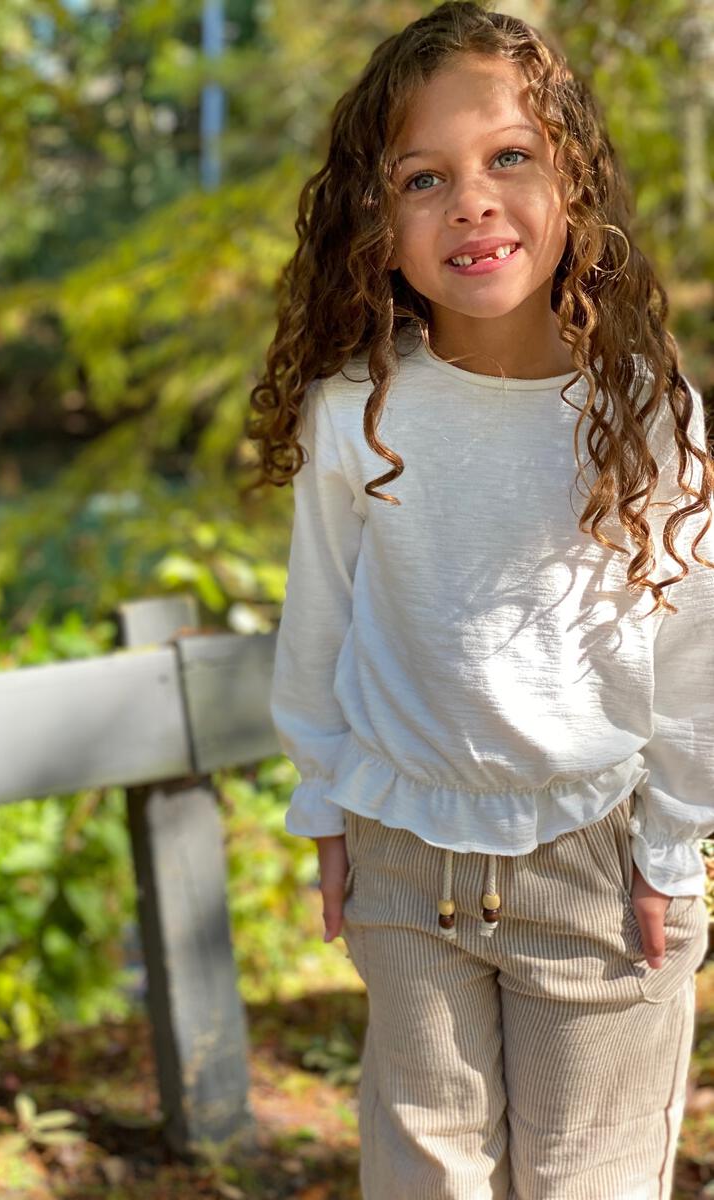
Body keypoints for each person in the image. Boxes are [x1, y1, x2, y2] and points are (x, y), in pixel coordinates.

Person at [246, 2, 714, 1197]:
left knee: (587, 1179)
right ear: (375, 218)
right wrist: (326, 805)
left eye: (511, 156)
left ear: (577, 187)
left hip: (597, 872)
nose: (472, 199)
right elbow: (324, 623)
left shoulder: (649, 414)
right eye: (423, 175)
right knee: (424, 1173)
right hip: (406, 858)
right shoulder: (357, 410)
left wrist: (672, 847)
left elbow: (694, 651)